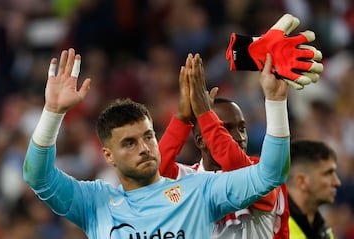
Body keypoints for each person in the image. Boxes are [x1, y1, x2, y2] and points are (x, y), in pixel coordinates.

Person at [23, 48, 289, 239]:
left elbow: (270, 175)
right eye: (129, 143)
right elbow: (38, 177)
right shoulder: (95, 203)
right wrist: (53, 112)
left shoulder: (200, 190)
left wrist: (275, 102)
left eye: (148, 137)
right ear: (108, 155)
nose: (144, 148)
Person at [158, 53, 289, 239]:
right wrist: (181, 117)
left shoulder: (262, 172)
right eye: (225, 129)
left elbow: (236, 166)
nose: (239, 137)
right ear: (200, 140)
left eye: (242, 128)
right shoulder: (185, 179)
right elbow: (152, 175)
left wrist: (204, 113)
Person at [287, 139, 341, 239]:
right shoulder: (274, 228)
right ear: (301, 181)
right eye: (328, 173)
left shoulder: (324, 230)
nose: (337, 182)